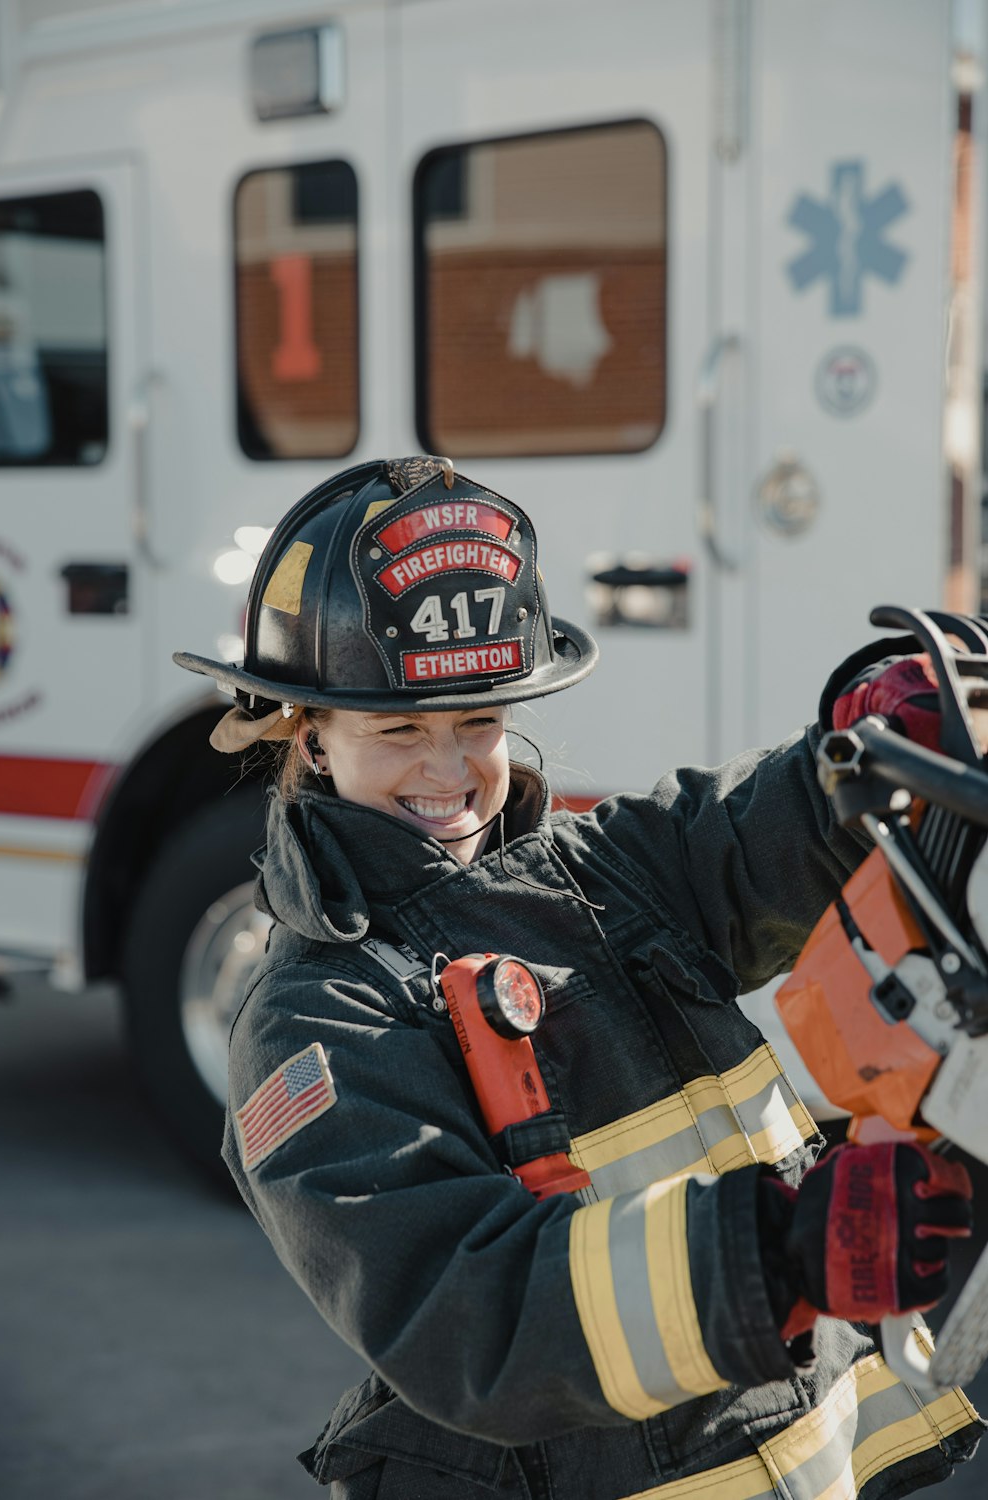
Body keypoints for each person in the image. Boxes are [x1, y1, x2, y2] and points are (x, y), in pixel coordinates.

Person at [175, 456, 982, 1499]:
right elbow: (471, 1315)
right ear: (312, 738)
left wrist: (861, 749)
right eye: (398, 731)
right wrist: (777, 1254)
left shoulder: (600, 872)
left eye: (480, 723)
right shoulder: (311, 1024)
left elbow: (737, 839)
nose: (448, 769)